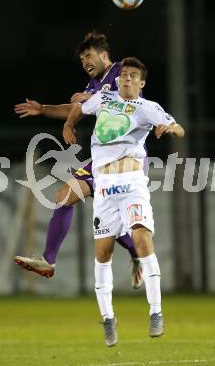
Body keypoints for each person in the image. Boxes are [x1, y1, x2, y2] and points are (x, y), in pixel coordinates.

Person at [63, 57, 185, 346]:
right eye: (124, 75)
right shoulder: (104, 98)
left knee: (142, 240)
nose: (127, 79)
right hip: (104, 188)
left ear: (141, 83)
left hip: (131, 185)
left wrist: (170, 129)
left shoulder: (147, 108)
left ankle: (156, 312)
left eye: (133, 76)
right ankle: (108, 319)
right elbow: (80, 107)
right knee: (103, 254)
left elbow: (177, 127)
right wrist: (70, 122)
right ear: (117, 79)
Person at [13, 32, 142, 289]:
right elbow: (75, 108)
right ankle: (48, 261)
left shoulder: (122, 73)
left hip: (125, 160)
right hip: (101, 159)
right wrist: (44, 109)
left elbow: (133, 102)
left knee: (109, 221)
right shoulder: (96, 84)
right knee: (65, 197)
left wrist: (95, 99)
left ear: (104, 55)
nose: (85, 62)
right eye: (82, 58)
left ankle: (140, 254)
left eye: (89, 56)